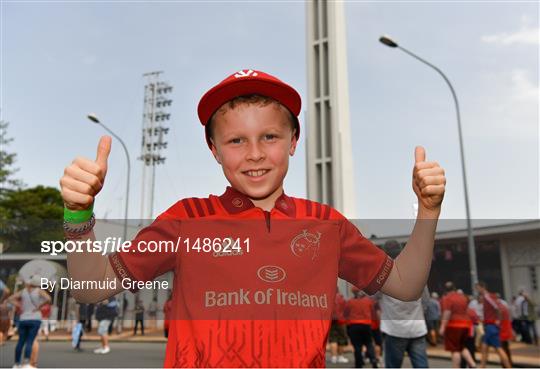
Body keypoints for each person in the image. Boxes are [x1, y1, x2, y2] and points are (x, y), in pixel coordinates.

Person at [60, 69, 446, 367]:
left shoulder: (326, 224)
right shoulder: (186, 219)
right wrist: (79, 215)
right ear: (214, 149)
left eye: (270, 137)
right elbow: (92, 288)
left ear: (294, 140)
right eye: (236, 140)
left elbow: (405, 285)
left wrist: (428, 211)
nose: (255, 154)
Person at [377, 240, 430, 368]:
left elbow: (374, 297)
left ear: (385, 254)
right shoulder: (417, 272)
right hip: (417, 329)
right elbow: (426, 301)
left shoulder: (382, 274)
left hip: (394, 330)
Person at [8, 275, 51, 369]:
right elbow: (48, 299)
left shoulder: (23, 291)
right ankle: (27, 363)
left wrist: (19, 305)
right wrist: (40, 306)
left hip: (23, 318)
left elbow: (10, 299)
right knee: (30, 341)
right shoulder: (39, 291)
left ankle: (16, 364)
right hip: (35, 318)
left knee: (20, 341)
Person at [438, 282, 475, 368]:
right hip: (466, 325)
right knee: (461, 346)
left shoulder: (447, 298)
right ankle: (473, 364)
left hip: (454, 325)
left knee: (454, 350)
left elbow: (447, 312)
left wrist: (442, 327)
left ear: (444, 290)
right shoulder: (463, 297)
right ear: (454, 288)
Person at [475, 282, 511, 368]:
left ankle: (508, 367)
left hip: (491, 326)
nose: (477, 290)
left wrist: (497, 321)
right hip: (488, 326)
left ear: (482, 287)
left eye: (477, 288)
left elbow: (497, 308)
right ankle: (482, 366)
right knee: (484, 348)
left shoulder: (488, 297)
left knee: (498, 349)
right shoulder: (485, 297)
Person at [345, 287, 378, 368]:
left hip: (354, 326)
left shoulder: (350, 302)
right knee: (369, 343)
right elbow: (374, 314)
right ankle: (373, 359)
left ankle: (359, 364)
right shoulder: (368, 301)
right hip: (366, 325)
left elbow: (346, 314)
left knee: (357, 346)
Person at [328, 289, 350, 364]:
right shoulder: (341, 298)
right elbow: (347, 310)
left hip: (330, 321)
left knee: (332, 339)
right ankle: (340, 357)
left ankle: (333, 357)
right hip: (341, 321)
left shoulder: (328, 298)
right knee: (341, 339)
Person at [498, 297, 513, 367]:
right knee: (506, 348)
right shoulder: (503, 305)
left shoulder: (500, 307)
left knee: (502, 348)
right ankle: (508, 363)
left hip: (502, 329)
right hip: (506, 327)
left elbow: (499, 320)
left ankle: (505, 365)